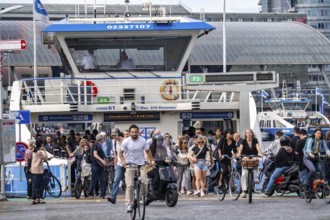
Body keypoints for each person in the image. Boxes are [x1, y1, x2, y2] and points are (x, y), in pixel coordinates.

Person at [120, 124, 155, 213]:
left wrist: (152, 161)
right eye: (132, 132)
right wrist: (123, 161)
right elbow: (120, 152)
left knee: (144, 182)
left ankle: (142, 195)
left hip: (141, 165)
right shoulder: (126, 141)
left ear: (138, 132)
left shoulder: (143, 141)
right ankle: (129, 204)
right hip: (130, 166)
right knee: (130, 185)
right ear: (129, 133)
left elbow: (148, 151)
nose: (134, 133)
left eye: (136, 132)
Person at [236, 128, 263, 198]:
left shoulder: (255, 140)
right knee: (244, 174)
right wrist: (239, 154)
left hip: (254, 157)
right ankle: (244, 191)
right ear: (245, 134)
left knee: (256, 160)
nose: (248, 134)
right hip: (245, 157)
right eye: (247, 132)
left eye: (250, 132)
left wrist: (260, 153)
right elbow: (240, 149)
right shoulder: (243, 141)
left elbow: (258, 148)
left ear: (252, 133)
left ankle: (256, 177)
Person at [108, 129, 125, 204]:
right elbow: (115, 154)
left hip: (127, 163)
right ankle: (113, 197)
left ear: (119, 134)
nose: (114, 136)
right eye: (113, 135)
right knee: (116, 179)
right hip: (119, 163)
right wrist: (115, 164)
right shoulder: (113, 142)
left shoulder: (125, 141)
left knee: (129, 181)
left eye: (115, 135)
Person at [87, 134, 107, 199]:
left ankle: (102, 194)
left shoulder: (98, 145)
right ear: (101, 139)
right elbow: (95, 154)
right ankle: (90, 193)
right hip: (96, 165)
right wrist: (102, 160)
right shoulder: (96, 145)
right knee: (95, 180)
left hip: (99, 165)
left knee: (102, 180)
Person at [30, 140, 48, 205]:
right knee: (40, 185)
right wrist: (44, 150)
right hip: (38, 170)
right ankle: (38, 198)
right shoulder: (39, 152)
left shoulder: (34, 151)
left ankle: (33, 199)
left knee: (34, 184)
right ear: (41, 145)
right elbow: (46, 157)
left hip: (33, 169)